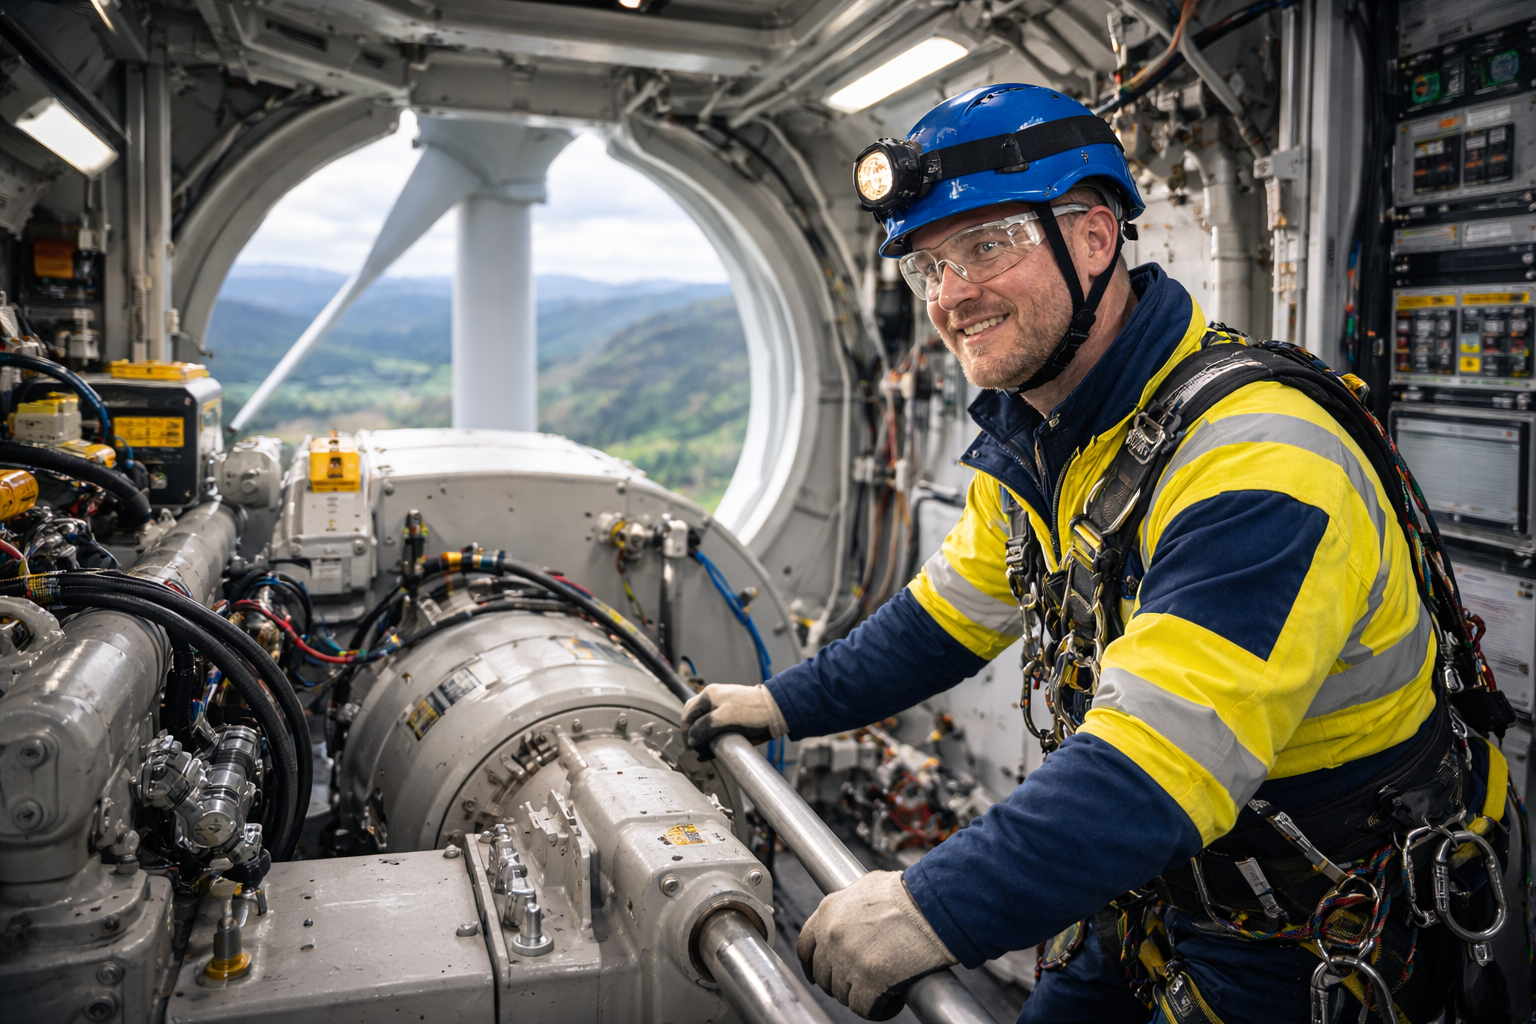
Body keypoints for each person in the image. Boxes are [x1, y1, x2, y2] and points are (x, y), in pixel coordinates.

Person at [682, 84, 1519, 1023]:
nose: (953, 296)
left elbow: (1154, 765)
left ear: (1091, 236)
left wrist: (928, 906)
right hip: (1150, 887)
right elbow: (943, 618)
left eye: (987, 245)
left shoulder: (1262, 461)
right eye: (928, 268)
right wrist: (778, 705)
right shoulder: (1044, 439)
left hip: (1307, 932)